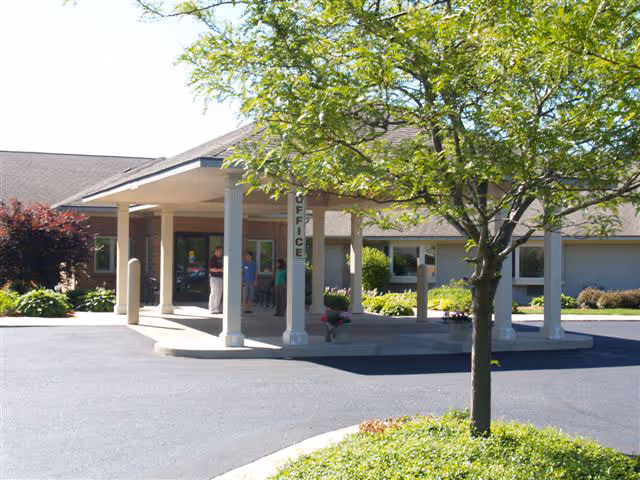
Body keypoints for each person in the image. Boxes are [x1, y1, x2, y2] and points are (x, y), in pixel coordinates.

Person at [208, 246, 223, 314]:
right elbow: (211, 269)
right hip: (214, 278)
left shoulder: (221, 258)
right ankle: (211, 308)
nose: (221, 252)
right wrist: (221, 270)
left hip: (220, 278)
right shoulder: (213, 259)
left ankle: (217, 308)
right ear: (216, 251)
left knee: (219, 293)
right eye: (220, 251)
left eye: (221, 251)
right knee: (214, 293)